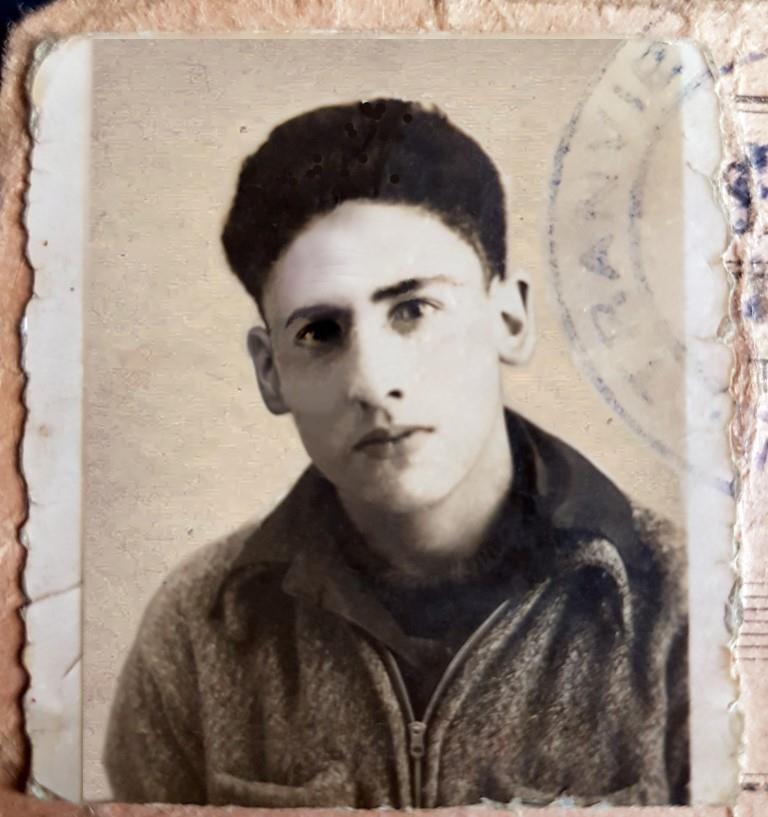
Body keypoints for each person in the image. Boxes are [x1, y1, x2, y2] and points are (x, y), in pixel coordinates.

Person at [103, 98, 689, 807]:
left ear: (509, 319)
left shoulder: (680, 609)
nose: (374, 382)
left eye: (413, 310)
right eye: (320, 332)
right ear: (269, 371)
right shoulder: (197, 631)